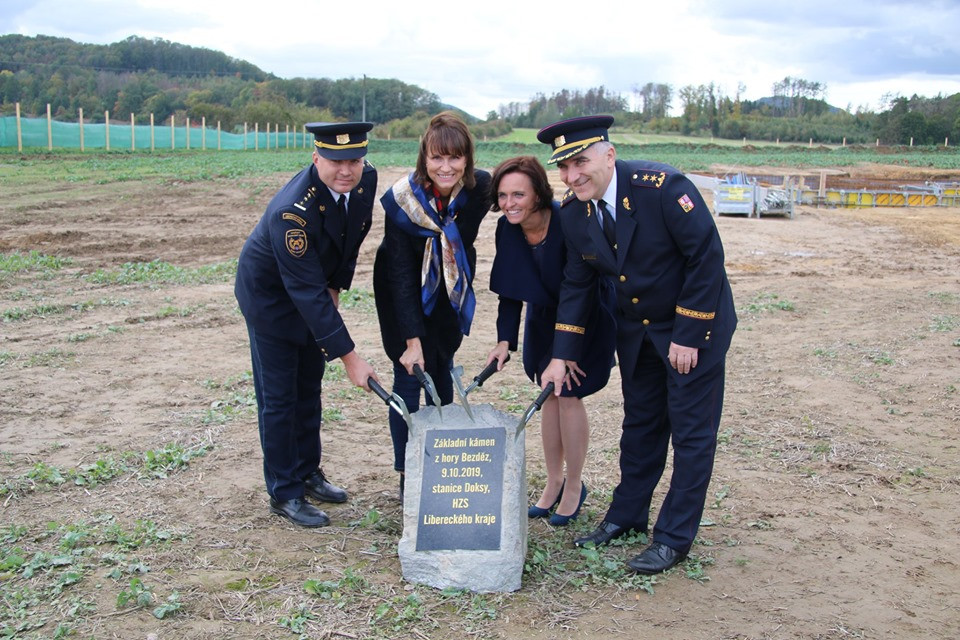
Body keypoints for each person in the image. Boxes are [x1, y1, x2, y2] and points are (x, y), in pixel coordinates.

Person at [537, 115, 737, 575]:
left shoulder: (662, 188)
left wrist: (688, 334)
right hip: (638, 335)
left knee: (691, 436)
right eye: (563, 167)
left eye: (580, 162)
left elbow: (706, 257)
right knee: (640, 427)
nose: (571, 176)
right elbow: (577, 283)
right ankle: (627, 516)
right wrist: (562, 354)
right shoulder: (575, 212)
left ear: (609, 155)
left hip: (692, 332)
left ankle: (672, 538)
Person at [235, 121, 380, 528]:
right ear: (316, 158)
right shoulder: (292, 212)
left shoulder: (365, 180)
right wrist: (350, 358)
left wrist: (337, 285)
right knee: (280, 398)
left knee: (308, 388)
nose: (346, 170)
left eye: (354, 160)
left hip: (312, 285)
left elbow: (351, 236)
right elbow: (305, 293)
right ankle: (285, 491)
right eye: (335, 161)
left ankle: (307, 471)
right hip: (271, 301)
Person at [485, 156, 616, 526]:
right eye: (503, 195)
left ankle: (574, 484)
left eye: (518, 195)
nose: (509, 203)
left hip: (583, 317)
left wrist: (565, 350)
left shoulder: (568, 220)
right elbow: (509, 286)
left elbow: (579, 287)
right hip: (543, 319)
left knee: (568, 394)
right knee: (549, 396)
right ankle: (554, 481)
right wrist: (504, 340)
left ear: (539, 194)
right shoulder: (507, 228)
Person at [373, 112, 491, 496]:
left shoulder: (479, 189)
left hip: (448, 291)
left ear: (467, 159)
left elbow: (519, 191)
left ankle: (440, 466)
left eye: (455, 157)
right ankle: (408, 473)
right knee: (409, 375)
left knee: (441, 369)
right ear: (424, 157)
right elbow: (400, 274)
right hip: (401, 293)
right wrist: (412, 340)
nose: (446, 167)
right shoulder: (402, 201)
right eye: (437, 157)